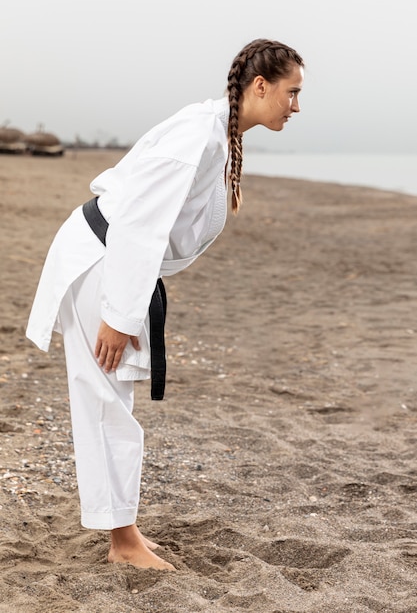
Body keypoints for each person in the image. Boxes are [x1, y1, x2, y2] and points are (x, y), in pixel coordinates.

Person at [26, 38, 304, 571]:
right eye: (292, 93)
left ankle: (123, 531)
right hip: (103, 261)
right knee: (105, 399)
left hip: (114, 261)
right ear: (261, 86)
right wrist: (119, 313)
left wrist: (124, 305)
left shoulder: (216, 132)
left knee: (109, 398)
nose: (297, 106)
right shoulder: (198, 134)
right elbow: (139, 221)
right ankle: (122, 541)